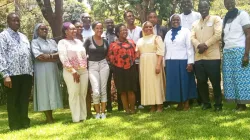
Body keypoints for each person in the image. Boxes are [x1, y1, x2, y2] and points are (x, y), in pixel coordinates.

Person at [0, 13, 33, 130]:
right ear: (8, 22)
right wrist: (5, 75)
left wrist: (31, 72)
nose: (17, 22)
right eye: (14, 20)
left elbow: (28, 54)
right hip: (12, 74)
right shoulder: (3, 36)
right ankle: (14, 125)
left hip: (26, 73)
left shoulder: (23, 37)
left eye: (18, 20)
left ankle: (24, 122)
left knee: (24, 99)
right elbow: (1, 55)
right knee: (13, 100)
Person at [191, 1, 222, 111]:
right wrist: (198, 45)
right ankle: (206, 103)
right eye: (201, 7)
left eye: (205, 7)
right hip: (199, 58)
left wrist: (206, 45)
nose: (203, 9)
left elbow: (218, 34)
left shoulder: (216, 19)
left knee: (215, 81)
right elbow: (192, 37)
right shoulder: (195, 23)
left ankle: (218, 104)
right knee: (201, 81)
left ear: (208, 7)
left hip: (212, 57)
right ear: (198, 9)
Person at [31, 23, 63, 123]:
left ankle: (51, 115)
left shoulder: (52, 41)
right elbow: (39, 57)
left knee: (52, 90)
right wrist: (53, 56)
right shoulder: (35, 42)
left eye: (46, 29)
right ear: (37, 31)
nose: (45, 30)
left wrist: (48, 56)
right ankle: (48, 117)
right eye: (42, 29)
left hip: (53, 69)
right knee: (44, 91)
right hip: (41, 70)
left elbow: (60, 54)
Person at [164, 14, 197, 111]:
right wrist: (164, 63)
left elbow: (189, 47)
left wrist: (190, 62)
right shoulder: (168, 33)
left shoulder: (186, 31)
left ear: (180, 20)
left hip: (183, 60)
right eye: (173, 20)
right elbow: (165, 49)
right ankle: (179, 103)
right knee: (175, 83)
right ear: (171, 21)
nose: (176, 21)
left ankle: (186, 102)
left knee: (184, 82)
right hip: (170, 61)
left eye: (177, 19)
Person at [222, 0, 250, 111]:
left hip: (239, 50)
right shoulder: (226, 17)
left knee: (241, 78)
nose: (228, 4)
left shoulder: (242, 14)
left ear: (234, 2)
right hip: (227, 51)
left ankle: (242, 104)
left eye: (230, 2)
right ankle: (237, 103)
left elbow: (248, 34)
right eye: (226, 2)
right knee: (230, 78)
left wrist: (246, 54)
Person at [58, 22, 88, 122]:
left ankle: (83, 117)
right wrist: (73, 71)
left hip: (83, 70)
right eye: (72, 29)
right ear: (65, 31)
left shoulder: (79, 42)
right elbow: (63, 58)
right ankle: (76, 118)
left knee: (82, 93)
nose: (74, 31)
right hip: (71, 72)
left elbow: (84, 56)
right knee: (74, 93)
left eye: (75, 29)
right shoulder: (62, 42)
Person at [107, 24, 137, 114]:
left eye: (125, 30)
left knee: (131, 90)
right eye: (122, 30)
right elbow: (109, 56)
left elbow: (136, 54)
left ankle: (132, 109)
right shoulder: (113, 45)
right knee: (122, 90)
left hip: (131, 68)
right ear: (117, 33)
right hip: (118, 70)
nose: (125, 32)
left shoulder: (131, 42)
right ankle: (126, 109)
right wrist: (117, 64)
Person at [136, 21, 165, 112]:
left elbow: (161, 52)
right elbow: (137, 52)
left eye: (150, 27)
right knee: (147, 84)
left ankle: (159, 105)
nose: (148, 29)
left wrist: (158, 65)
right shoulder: (140, 40)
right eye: (146, 27)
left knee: (156, 83)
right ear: (143, 29)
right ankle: (152, 105)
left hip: (154, 61)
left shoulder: (157, 38)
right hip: (144, 64)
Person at [84, 21, 109, 119]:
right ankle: (97, 113)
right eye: (97, 28)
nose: (99, 30)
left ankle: (103, 113)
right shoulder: (88, 40)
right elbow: (83, 53)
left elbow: (107, 53)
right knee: (95, 90)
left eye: (101, 28)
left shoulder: (105, 41)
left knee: (103, 89)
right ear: (93, 29)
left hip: (103, 64)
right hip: (92, 65)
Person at [72, 20, 93, 118]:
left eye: (81, 27)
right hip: (75, 69)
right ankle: (79, 113)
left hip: (86, 66)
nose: (79, 28)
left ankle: (88, 112)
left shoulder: (85, 38)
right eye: (77, 27)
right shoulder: (70, 40)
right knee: (77, 91)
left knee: (87, 90)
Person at [102, 18, 123, 112]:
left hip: (117, 63)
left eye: (111, 22)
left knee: (119, 83)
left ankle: (120, 105)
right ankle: (109, 106)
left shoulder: (117, 35)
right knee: (107, 85)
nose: (110, 24)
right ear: (105, 24)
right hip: (106, 63)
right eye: (108, 23)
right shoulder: (102, 35)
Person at [124, 10, 143, 109]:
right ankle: (133, 103)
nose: (131, 18)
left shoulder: (140, 30)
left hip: (139, 60)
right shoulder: (123, 30)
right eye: (128, 16)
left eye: (132, 16)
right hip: (128, 62)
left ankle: (140, 102)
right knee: (132, 81)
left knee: (140, 80)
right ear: (125, 18)